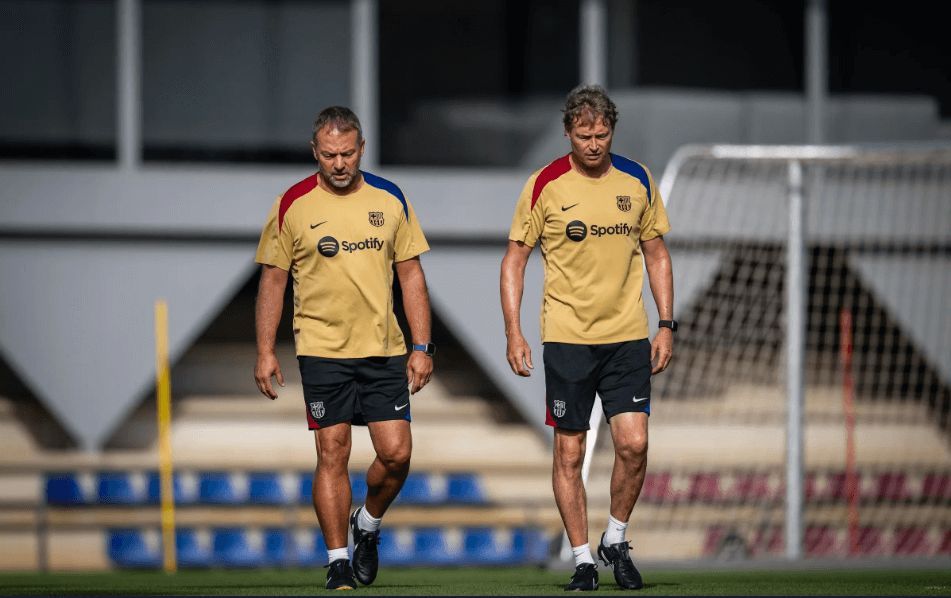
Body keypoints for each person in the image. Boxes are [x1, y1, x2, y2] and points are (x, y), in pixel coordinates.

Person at [500, 85, 675, 591]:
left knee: (635, 445)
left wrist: (666, 323)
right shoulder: (545, 185)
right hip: (568, 338)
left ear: (611, 131)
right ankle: (581, 559)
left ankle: (615, 538)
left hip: (627, 338)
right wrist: (514, 331)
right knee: (570, 453)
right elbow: (515, 259)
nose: (594, 144)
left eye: (601, 134)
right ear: (567, 133)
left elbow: (657, 254)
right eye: (583, 135)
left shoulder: (638, 179)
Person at [254, 106, 435, 590]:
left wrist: (422, 345)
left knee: (397, 455)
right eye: (329, 154)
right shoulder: (291, 203)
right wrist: (266, 349)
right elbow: (272, 280)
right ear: (315, 151)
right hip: (321, 348)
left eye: (347, 153)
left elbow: (411, 275)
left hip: (383, 348)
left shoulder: (391, 198)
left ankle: (368, 524)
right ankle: (337, 560)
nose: (339, 163)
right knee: (332, 450)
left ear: (362, 149)